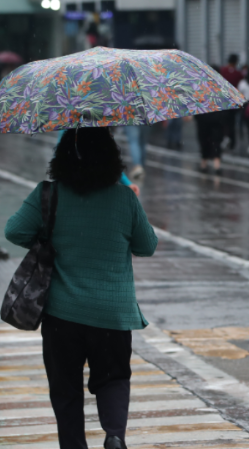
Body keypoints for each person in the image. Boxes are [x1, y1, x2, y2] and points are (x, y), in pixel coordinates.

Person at [4, 127, 158, 449]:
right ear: (111, 158)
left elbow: (14, 232)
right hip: (112, 315)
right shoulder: (123, 198)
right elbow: (147, 246)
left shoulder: (48, 194)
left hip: (63, 314)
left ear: (61, 158)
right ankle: (114, 436)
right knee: (114, 377)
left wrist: (48, 237)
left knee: (65, 389)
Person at [219, 54, 244, 151]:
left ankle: (224, 138)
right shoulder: (239, 73)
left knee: (222, 122)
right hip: (234, 101)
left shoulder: (222, 71)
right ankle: (232, 142)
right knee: (232, 122)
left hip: (223, 100)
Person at [194, 110, 226, 175]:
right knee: (213, 141)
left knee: (207, 140)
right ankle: (214, 164)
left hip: (206, 116)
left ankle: (206, 163)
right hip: (214, 117)